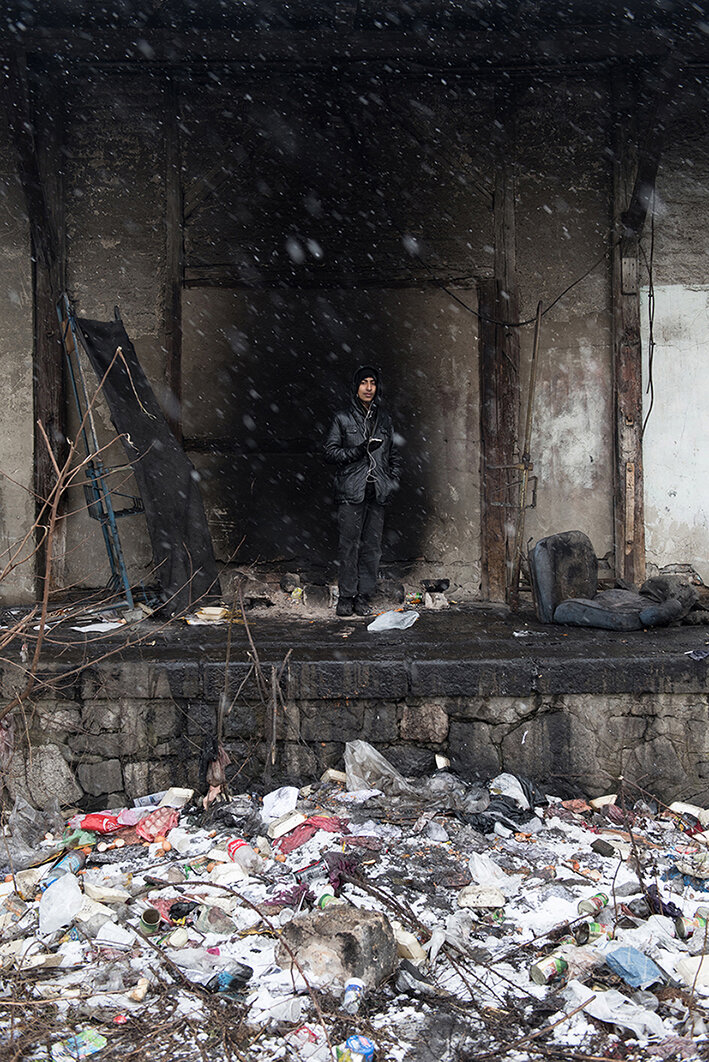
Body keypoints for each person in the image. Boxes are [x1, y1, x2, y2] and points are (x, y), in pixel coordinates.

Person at [324, 365, 402, 617]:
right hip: (351, 491)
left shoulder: (385, 419)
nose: (369, 388)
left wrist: (391, 481)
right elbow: (329, 452)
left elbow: (394, 456)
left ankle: (363, 596)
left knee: (372, 547)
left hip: (377, 491)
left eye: (372, 383)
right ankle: (346, 597)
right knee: (348, 546)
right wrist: (358, 450)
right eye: (363, 383)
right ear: (355, 387)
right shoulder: (342, 418)